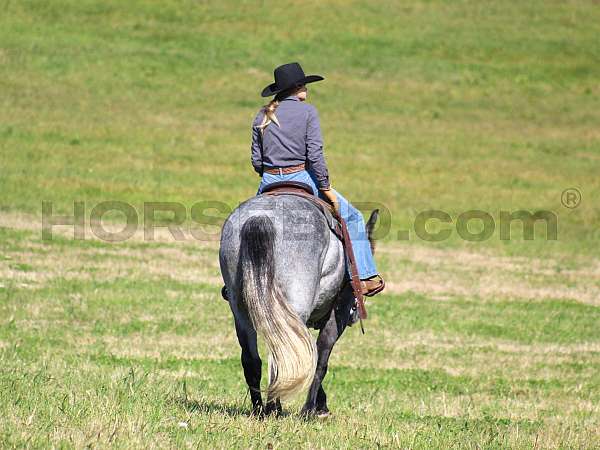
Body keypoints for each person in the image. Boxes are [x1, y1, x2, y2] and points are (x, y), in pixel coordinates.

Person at [251, 62, 384, 297]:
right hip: (301, 176)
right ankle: (365, 278)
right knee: (353, 216)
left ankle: (233, 285)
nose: (307, 89)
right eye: (304, 84)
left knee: (248, 224)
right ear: (297, 87)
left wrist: (273, 173)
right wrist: (325, 187)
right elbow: (314, 155)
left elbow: (257, 162)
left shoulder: (262, 115)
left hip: (268, 181)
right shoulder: (308, 112)